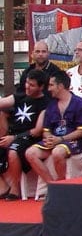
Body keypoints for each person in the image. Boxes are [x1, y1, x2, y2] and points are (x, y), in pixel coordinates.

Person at [24, 73, 82, 184]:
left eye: (51, 85)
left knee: (57, 152)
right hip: (54, 141)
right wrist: (49, 139)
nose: (48, 89)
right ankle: (51, 184)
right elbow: (46, 130)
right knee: (30, 153)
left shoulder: (80, 104)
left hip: (73, 142)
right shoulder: (52, 105)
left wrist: (61, 139)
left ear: (61, 86)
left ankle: (62, 183)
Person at [0, 70, 49, 200]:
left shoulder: (45, 103)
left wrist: (14, 138)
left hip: (30, 137)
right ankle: (3, 187)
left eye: (32, 85)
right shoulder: (20, 96)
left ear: (41, 87)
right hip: (12, 134)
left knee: (13, 150)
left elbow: (38, 130)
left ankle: (15, 189)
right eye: (27, 83)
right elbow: (2, 103)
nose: (27, 86)